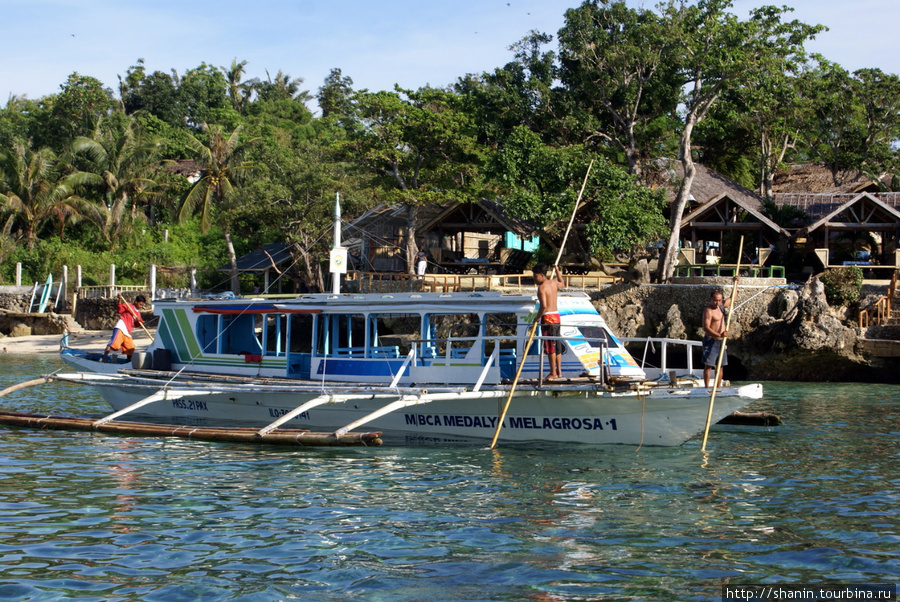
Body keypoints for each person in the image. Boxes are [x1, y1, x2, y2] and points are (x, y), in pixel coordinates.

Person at [532, 263, 565, 381]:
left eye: (535, 276)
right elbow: (563, 283)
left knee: (550, 346)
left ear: (541, 275)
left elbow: (544, 306)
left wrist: (536, 318)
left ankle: (553, 372)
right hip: (556, 317)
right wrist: (557, 270)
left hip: (547, 318)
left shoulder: (541, 288)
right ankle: (559, 372)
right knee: (557, 346)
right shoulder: (553, 283)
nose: (534, 278)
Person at [702, 288, 733, 390]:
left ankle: (718, 387)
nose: (717, 302)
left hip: (721, 341)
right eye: (715, 300)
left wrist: (736, 283)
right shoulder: (708, 311)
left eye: (720, 300)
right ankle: (707, 388)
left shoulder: (721, 307)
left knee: (720, 366)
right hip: (711, 341)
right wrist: (719, 334)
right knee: (708, 365)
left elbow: (732, 298)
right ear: (710, 300)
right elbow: (706, 328)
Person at [102, 294, 146, 363]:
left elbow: (137, 324)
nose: (141, 306)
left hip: (127, 331)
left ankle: (128, 362)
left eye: (142, 305)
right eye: (140, 304)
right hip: (121, 327)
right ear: (136, 302)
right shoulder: (129, 306)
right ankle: (104, 358)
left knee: (130, 348)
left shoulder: (138, 313)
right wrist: (119, 299)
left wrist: (138, 320)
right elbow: (119, 309)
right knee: (113, 343)